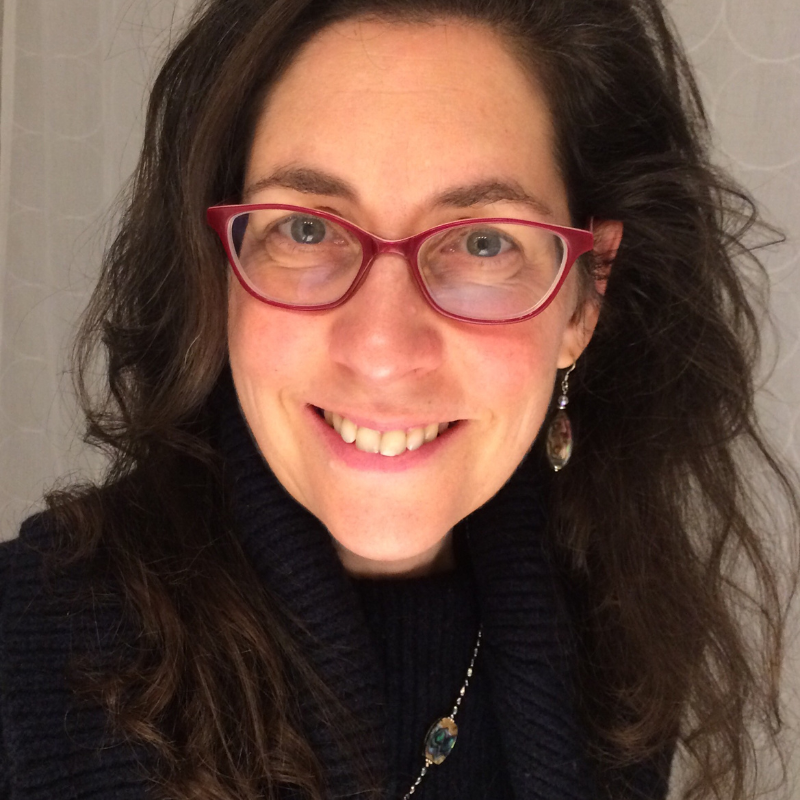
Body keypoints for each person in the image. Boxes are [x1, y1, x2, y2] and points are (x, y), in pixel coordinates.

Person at [0, 0, 797, 798]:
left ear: (585, 299)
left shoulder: (617, 649)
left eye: (484, 242)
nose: (381, 349)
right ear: (221, 271)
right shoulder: (24, 657)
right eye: (306, 230)